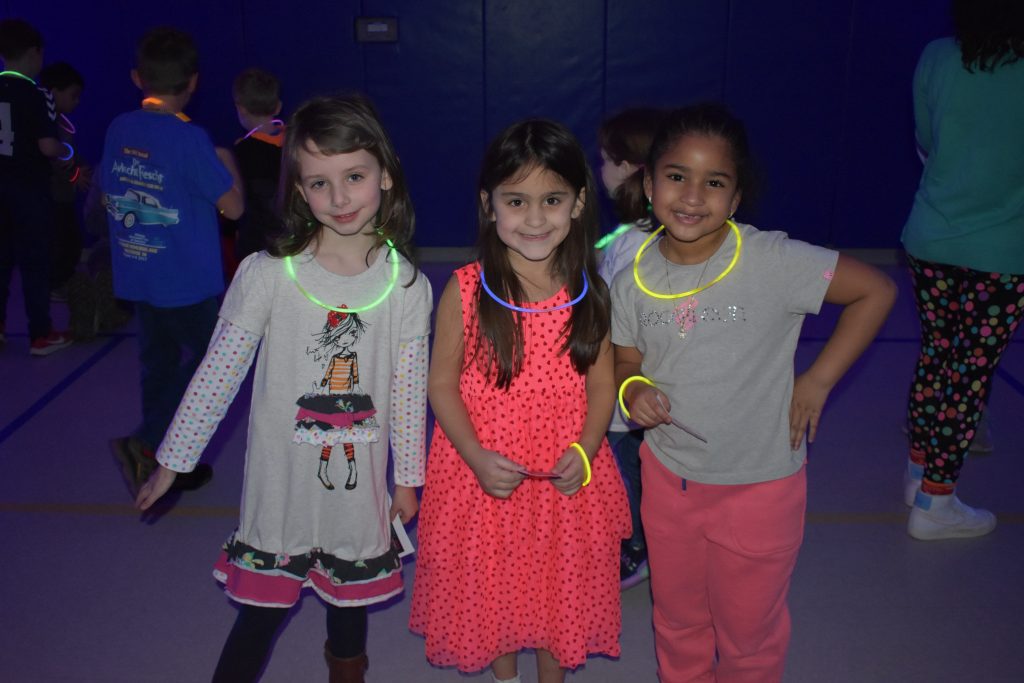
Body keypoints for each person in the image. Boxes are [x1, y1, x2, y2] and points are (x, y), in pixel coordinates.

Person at [135, 93, 431, 683]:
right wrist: (173, 460)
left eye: (354, 176)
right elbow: (218, 373)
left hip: (356, 486)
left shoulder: (407, 286)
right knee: (260, 614)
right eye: (319, 183)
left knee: (350, 607)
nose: (340, 197)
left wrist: (408, 476)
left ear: (386, 177)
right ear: (297, 189)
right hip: (282, 488)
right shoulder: (269, 275)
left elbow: (407, 389)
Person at [611, 103, 896, 683]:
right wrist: (633, 386)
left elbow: (876, 291)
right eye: (676, 176)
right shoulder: (630, 278)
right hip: (670, 484)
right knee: (678, 621)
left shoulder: (773, 260)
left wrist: (817, 380)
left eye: (714, 182)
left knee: (749, 635)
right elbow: (626, 358)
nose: (692, 195)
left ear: (736, 198)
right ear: (648, 184)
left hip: (760, 490)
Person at [410, 119, 630, 683]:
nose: (535, 219)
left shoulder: (590, 290)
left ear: (579, 203)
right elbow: (442, 384)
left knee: (557, 588)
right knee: (494, 588)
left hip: (565, 478)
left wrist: (585, 450)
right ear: (489, 205)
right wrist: (477, 457)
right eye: (517, 201)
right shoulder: (464, 288)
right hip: (485, 474)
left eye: (552, 200)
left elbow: (603, 384)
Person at [100, 26, 244, 494]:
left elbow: (109, 188)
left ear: (137, 77)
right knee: (212, 365)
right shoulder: (191, 139)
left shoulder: (119, 127)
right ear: (193, 82)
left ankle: (162, 457)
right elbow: (235, 207)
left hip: (140, 272)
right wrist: (227, 162)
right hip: (186, 283)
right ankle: (149, 442)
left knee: (158, 365)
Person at [900, 0, 1024, 540]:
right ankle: (935, 501)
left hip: (931, 239)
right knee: (969, 375)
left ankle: (916, 471)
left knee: (937, 354)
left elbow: (926, 141)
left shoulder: (937, 57)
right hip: (1001, 251)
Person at [595, 106, 665, 589]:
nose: (600, 170)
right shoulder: (636, 238)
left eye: (605, 160)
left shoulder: (636, 246)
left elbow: (622, 317)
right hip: (627, 383)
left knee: (625, 473)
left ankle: (634, 549)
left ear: (630, 170)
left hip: (627, 388)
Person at [0, 18, 72, 355]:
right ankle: (40, 333)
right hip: (28, 188)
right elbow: (46, 146)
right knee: (34, 261)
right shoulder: (37, 93)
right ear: (34, 53)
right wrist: (64, 150)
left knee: (1, 259)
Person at [38, 61, 88, 300]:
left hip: (62, 196)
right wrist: (76, 175)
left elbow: (68, 155)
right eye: (73, 96)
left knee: (68, 242)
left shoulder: (61, 124)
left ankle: (60, 281)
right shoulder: (48, 124)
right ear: (54, 92)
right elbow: (56, 160)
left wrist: (78, 166)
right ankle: (56, 284)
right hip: (53, 197)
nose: (76, 102)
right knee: (65, 243)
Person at [228, 67, 284, 262]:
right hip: (292, 239)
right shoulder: (297, 143)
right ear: (278, 107)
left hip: (256, 245)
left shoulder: (241, 153)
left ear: (240, 107)